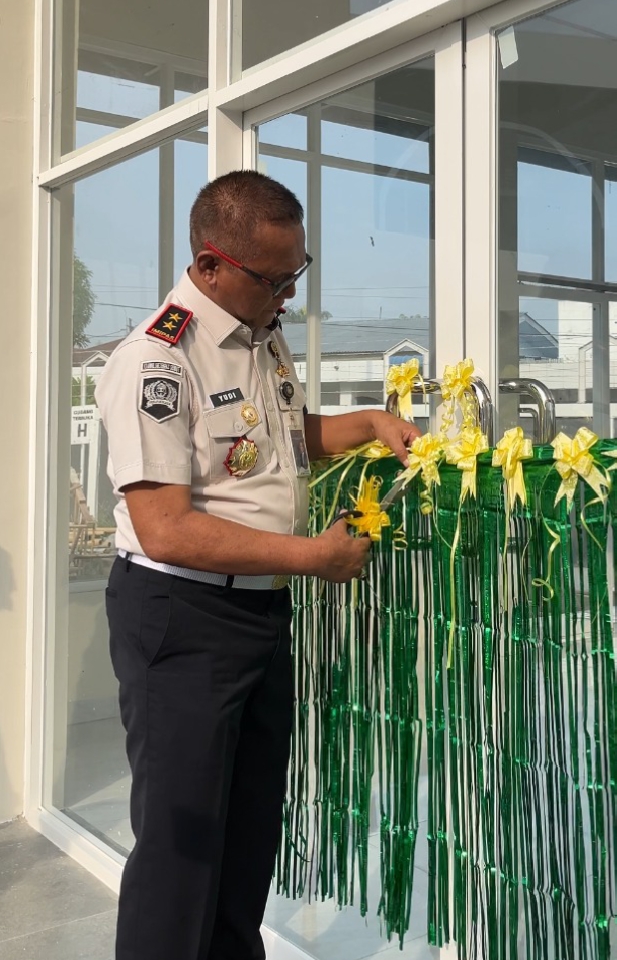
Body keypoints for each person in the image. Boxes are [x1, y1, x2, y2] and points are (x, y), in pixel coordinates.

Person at [96, 171, 419, 960]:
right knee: (181, 852)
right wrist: (314, 556)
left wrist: (368, 424)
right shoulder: (157, 360)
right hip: (182, 619)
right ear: (210, 266)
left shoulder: (257, 329)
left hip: (258, 613)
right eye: (273, 279)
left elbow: (269, 440)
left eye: (296, 274)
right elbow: (166, 529)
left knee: (246, 840)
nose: (288, 295)